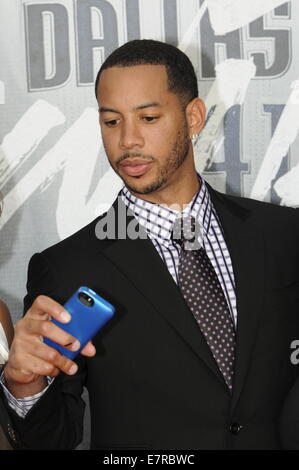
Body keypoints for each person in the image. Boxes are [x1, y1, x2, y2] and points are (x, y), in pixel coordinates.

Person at [1, 39, 299, 450]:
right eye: (111, 122)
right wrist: (24, 385)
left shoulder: (283, 233)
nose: (127, 141)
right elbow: (52, 439)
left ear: (193, 116)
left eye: (149, 117)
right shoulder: (67, 268)